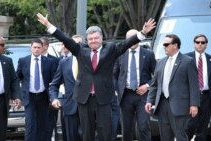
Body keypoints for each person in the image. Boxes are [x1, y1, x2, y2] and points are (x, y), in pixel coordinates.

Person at [36, 13, 156, 141]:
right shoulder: (80, 50)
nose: (93, 41)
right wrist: (48, 25)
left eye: (96, 38)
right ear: (87, 40)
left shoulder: (110, 49)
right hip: (84, 98)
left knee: (105, 133)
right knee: (87, 133)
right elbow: (65, 39)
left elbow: (126, 44)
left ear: (101, 38)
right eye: (91, 38)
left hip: (103, 98)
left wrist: (143, 32)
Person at [145, 34, 200, 141]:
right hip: (162, 105)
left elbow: (194, 85)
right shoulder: (160, 62)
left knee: (181, 136)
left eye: (166, 44)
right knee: (165, 137)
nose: (164, 46)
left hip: (180, 106)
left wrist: (194, 104)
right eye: (163, 44)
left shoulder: (188, 61)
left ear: (175, 45)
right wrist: (149, 100)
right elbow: (155, 84)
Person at [114, 29, 156, 141]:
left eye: (135, 38)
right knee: (126, 129)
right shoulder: (120, 55)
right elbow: (114, 75)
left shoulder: (148, 54)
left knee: (143, 126)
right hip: (125, 95)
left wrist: (147, 86)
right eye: (130, 38)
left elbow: (157, 76)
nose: (133, 41)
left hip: (143, 95)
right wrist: (116, 89)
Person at [185, 34, 211, 141]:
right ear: (194, 44)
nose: (200, 44)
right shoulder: (186, 58)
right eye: (197, 42)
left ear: (206, 45)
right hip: (192, 97)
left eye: (203, 42)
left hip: (206, 97)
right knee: (190, 124)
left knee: (203, 127)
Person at [16, 38, 55, 141]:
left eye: (39, 47)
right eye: (34, 47)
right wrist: (18, 96)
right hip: (29, 96)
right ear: (31, 48)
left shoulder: (49, 62)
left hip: (43, 96)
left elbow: (54, 80)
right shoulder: (23, 61)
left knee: (42, 123)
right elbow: (17, 79)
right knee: (30, 123)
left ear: (42, 48)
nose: (37, 49)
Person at [49, 35, 84, 141]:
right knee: (71, 137)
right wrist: (54, 98)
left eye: (79, 44)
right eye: (73, 44)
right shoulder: (64, 62)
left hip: (88, 106)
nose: (76, 46)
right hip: (70, 106)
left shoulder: (91, 60)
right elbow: (54, 85)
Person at [0, 35, 21, 141]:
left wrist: (16, 96)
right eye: (2, 45)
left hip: (1, 102)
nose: (4, 47)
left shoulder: (7, 60)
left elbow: (14, 80)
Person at [40, 36, 59, 141]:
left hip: (50, 98)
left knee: (50, 124)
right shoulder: (30, 59)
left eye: (40, 45)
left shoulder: (55, 60)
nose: (37, 48)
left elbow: (58, 79)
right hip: (36, 98)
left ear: (46, 46)